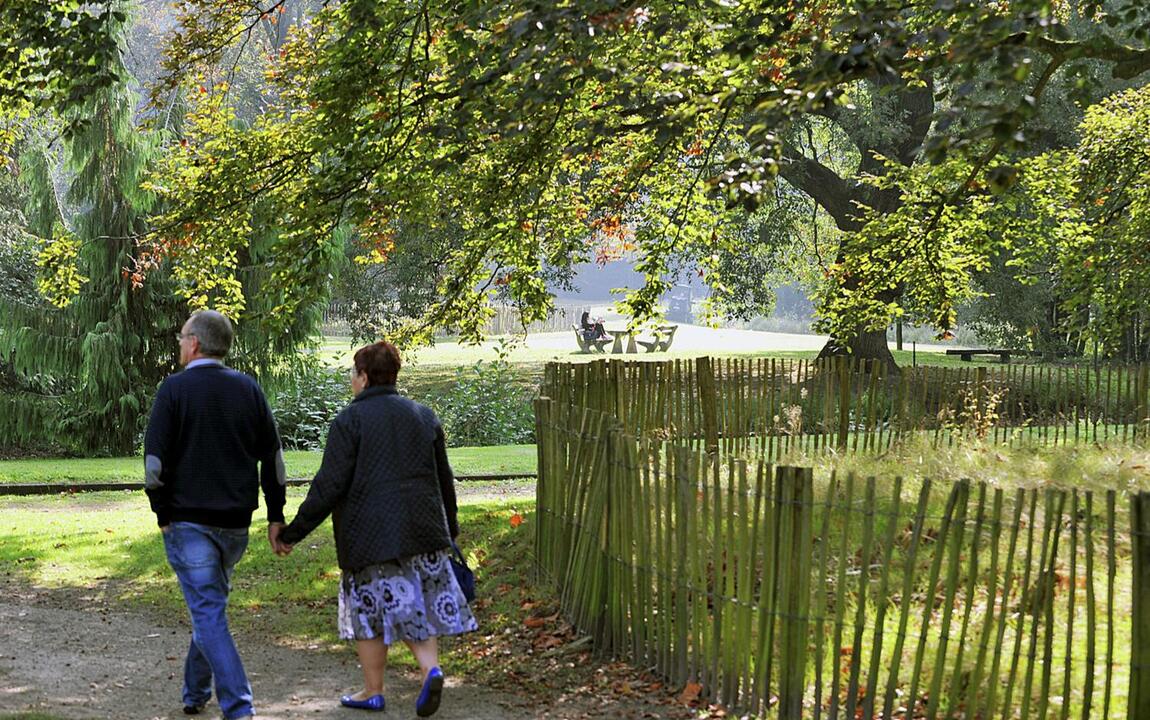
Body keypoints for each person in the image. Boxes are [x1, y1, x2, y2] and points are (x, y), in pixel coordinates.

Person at [272, 340, 477, 716]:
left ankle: (373, 690)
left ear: (364, 376)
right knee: (419, 608)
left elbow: (329, 486)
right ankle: (431, 669)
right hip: (425, 531)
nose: (352, 379)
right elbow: (443, 478)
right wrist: (450, 527)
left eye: (353, 372)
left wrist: (291, 533)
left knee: (368, 615)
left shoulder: (349, 422)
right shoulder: (423, 415)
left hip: (368, 539)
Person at [144, 310, 286, 720]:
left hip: (187, 523)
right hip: (235, 527)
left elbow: (154, 464)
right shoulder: (249, 390)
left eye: (181, 337)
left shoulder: (173, 390)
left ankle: (240, 709)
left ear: (195, 343)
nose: (179, 344)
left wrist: (161, 513)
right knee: (209, 608)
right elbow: (274, 462)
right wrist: (275, 515)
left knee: (208, 613)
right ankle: (194, 693)